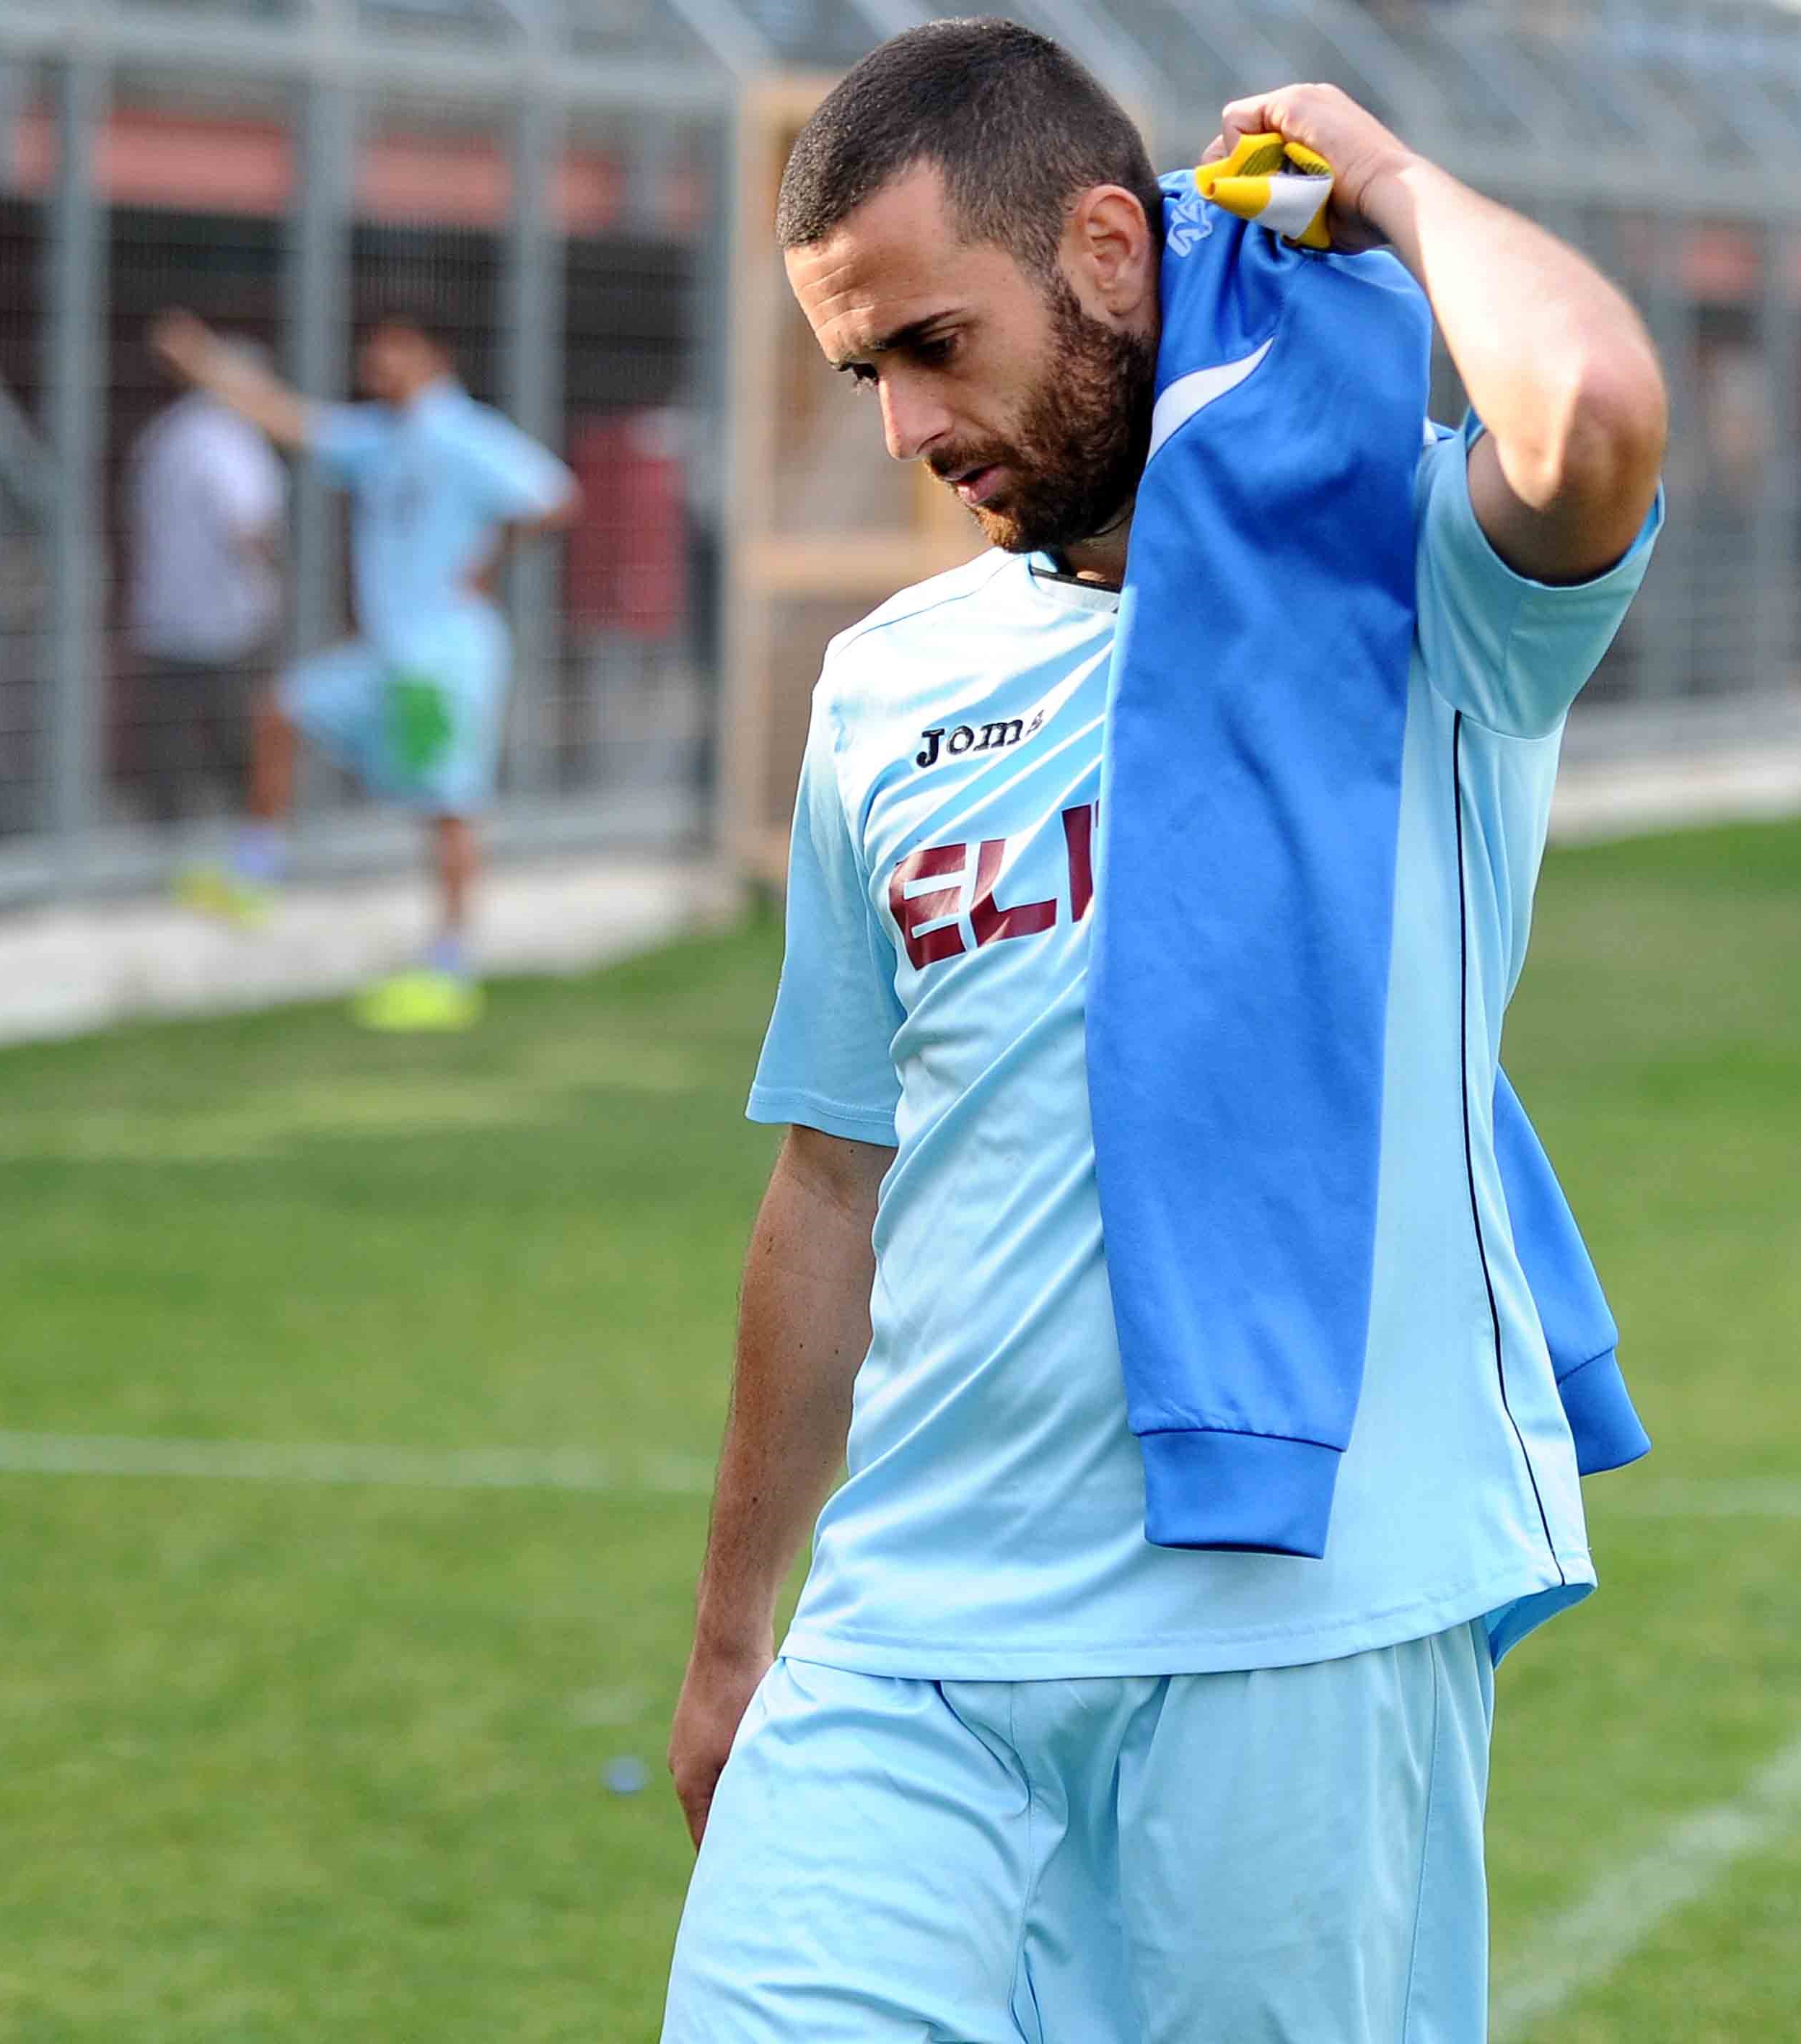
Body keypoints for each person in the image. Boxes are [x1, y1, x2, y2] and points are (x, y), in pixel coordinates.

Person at [663, 22, 1665, 2044]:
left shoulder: (1410, 578)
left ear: (1111, 253)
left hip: (1300, 1623)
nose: (904, 427)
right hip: (909, 1638)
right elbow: (833, 1177)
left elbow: (1595, 408)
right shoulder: (885, 686)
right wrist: (731, 1634)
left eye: (935, 345)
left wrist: (1386, 180)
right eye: (865, 372)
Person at [152, 303, 577, 1034]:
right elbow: (282, 416)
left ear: (433, 358)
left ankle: (449, 967)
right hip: (387, 654)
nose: (376, 364)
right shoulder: (376, 438)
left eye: (394, 350)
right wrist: (203, 364)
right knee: (283, 709)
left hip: (444, 659)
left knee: (447, 806)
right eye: (372, 351)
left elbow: (555, 498)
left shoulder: (463, 435)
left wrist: (484, 562)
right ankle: (255, 873)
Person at [124, 339, 289, 821]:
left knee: (169, 746)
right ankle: (254, 845)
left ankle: (167, 839)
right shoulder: (230, 439)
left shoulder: (166, 432)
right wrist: (283, 589)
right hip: (230, 620)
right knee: (244, 746)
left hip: (162, 612)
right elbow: (249, 528)